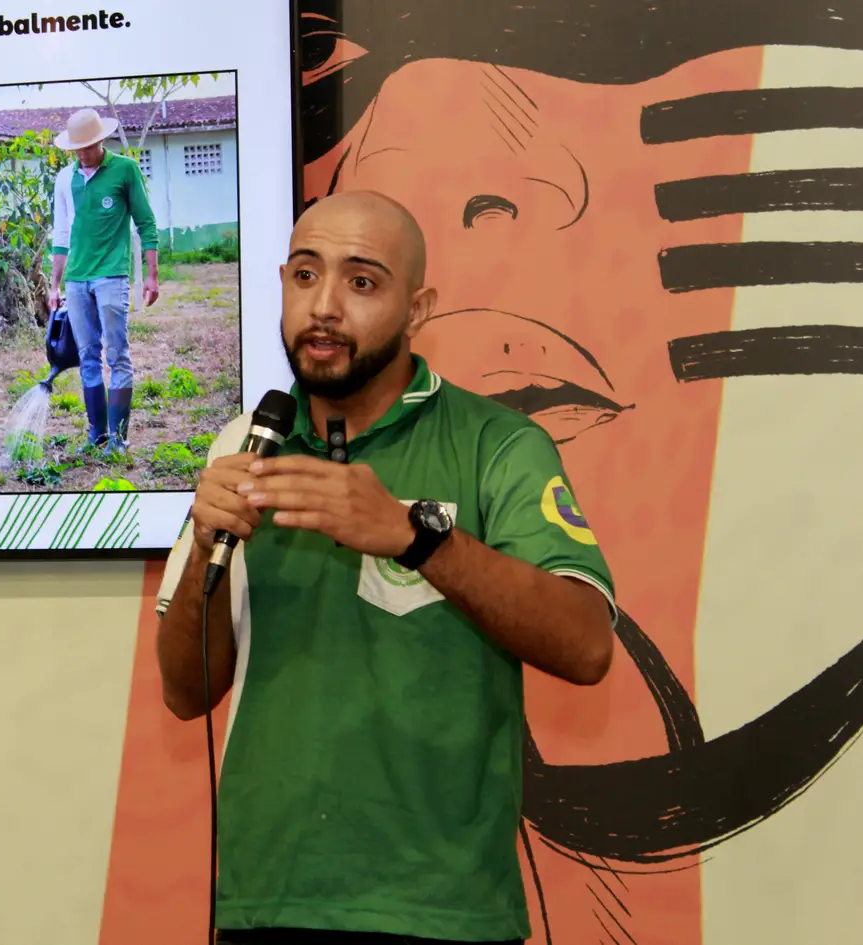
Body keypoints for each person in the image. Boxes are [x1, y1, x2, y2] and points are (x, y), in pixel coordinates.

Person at [154, 189, 617, 944]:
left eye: (362, 281)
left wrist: (415, 537)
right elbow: (185, 692)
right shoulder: (246, 444)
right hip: (266, 900)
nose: (324, 307)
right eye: (305, 275)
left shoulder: (497, 444)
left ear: (417, 309)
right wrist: (207, 542)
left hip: (444, 912)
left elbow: (587, 645)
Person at [49, 107, 161, 456]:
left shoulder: (125, 170)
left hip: (112, 276)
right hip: (76, 280)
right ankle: (97, 435)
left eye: (87, 147)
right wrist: (55, 285)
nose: (82, 154)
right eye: (76, 149)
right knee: (87, 356)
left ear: (100, 141)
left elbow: (146, 223)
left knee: (117, 355)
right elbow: (61, 234)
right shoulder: (65, 179)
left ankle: (119, 440)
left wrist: (152, 275)